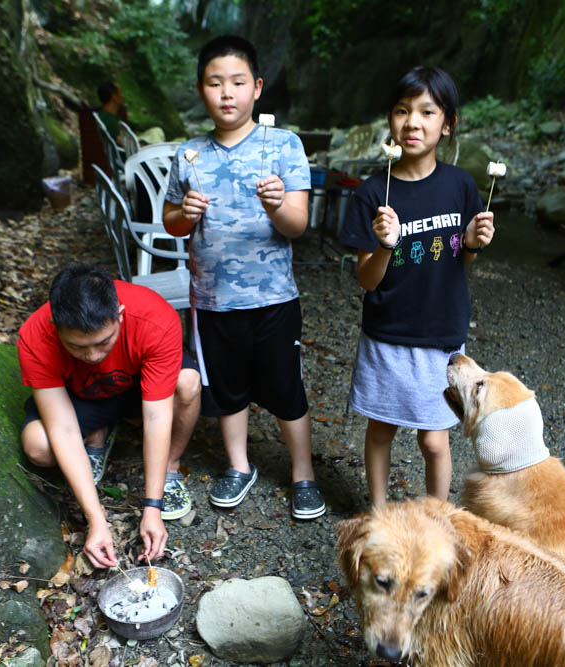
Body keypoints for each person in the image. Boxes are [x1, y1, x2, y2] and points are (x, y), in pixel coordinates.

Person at [161, 35, 325, 520]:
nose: (226, 93)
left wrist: (277, 205)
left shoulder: (284, 146)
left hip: (274, 297)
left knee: (285, 388)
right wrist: (185, 215)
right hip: (212, 299)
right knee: (227, 389)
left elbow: (297, 225)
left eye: (237, 82)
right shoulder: (189, 154)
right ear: (201, 90)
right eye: (215, 83)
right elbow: (171, 223)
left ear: (256, 88)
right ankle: (239, 465)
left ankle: (303, 474)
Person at [338, 66, 495, 508]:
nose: (413, 122)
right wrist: (386, 244)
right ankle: (379, 511)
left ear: (448, 124)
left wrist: (472, 244)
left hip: (441, 332)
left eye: (428, 111)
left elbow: (462, 260)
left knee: (434, 441)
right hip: (387, 333)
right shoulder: (373, 193)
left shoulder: (461, 185)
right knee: (381, 429)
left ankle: (438, 516)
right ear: (389, 121)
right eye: (402, 111)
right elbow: (367, 280)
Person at [17, 264, 201, 567]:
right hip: (84, 396)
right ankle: (97, 433)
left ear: (120, 314)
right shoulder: (36, 334)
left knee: (188, 383)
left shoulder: (154, 317)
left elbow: (157, 415)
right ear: (55, 325)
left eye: (103, 342)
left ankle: (170, 465)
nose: (92, 356)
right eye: (77, 346)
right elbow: (61, 428)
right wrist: (96, 520)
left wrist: (151, 508)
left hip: (139, 391)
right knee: (38, 445)